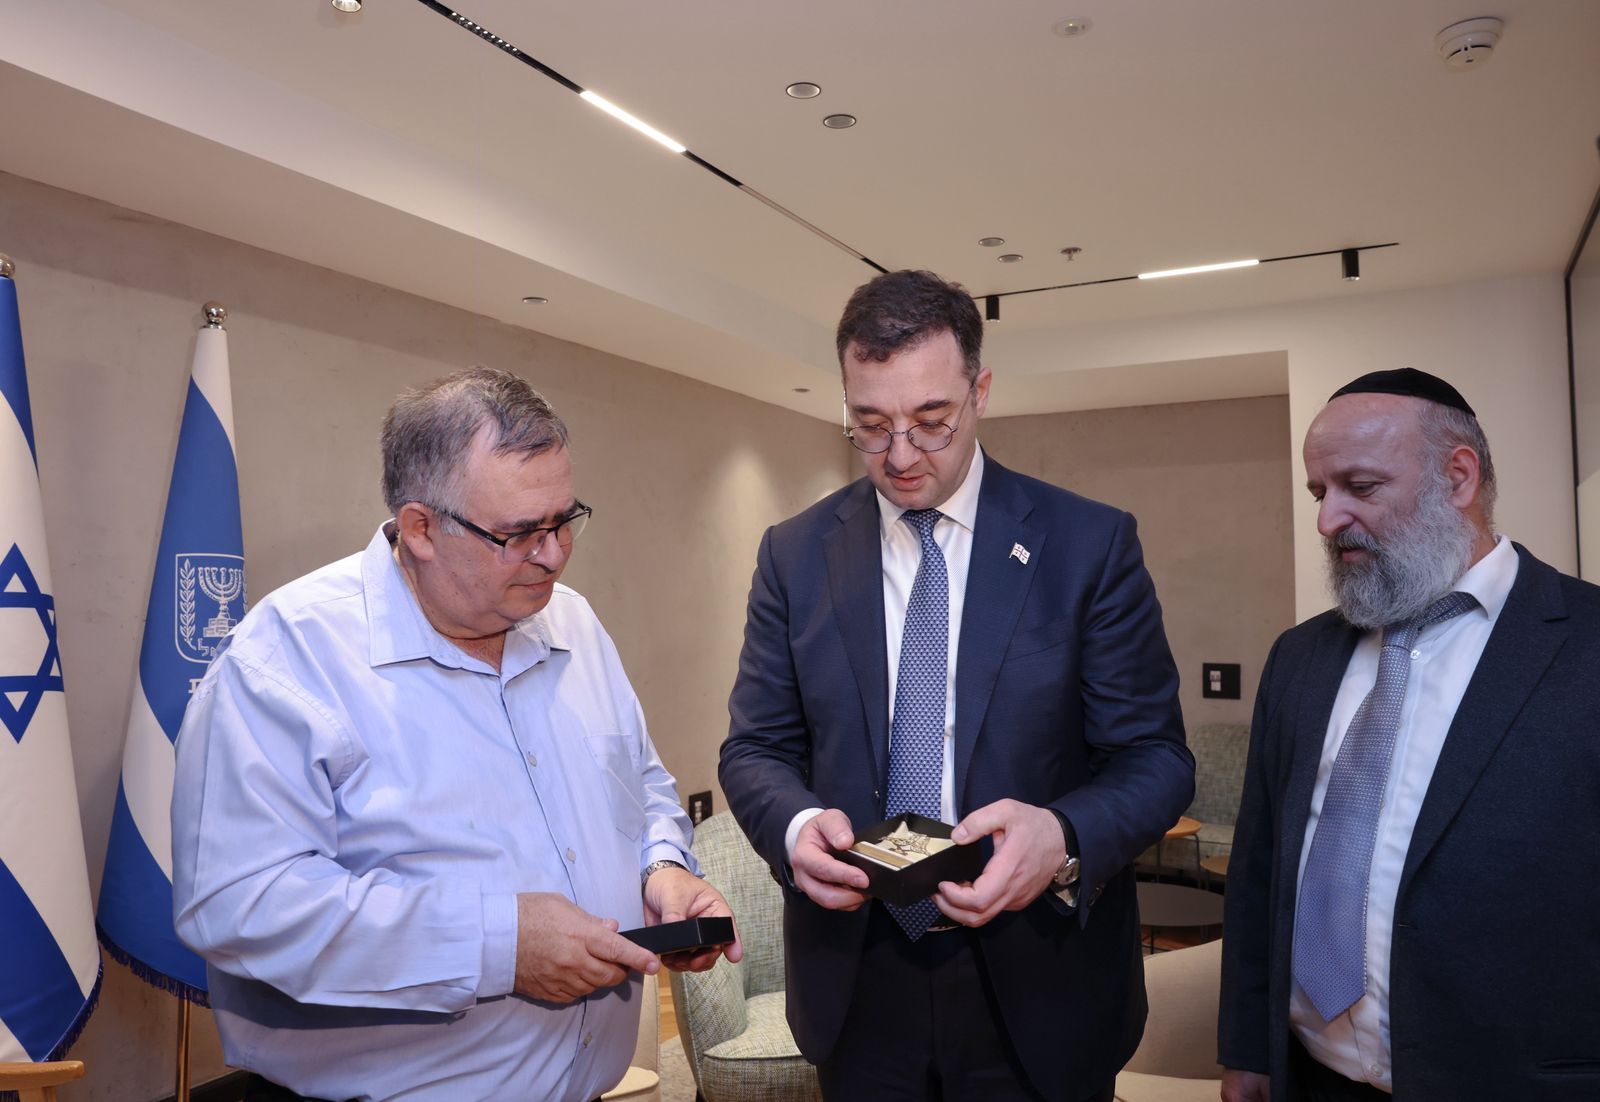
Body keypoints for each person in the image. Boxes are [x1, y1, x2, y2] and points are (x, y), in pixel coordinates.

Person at [171, 367, 740, 1102]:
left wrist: (661, 871)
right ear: (421, 529)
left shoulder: (574, 623)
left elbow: (643, 787)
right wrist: (500, 944)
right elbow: (241, 906)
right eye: (520, 533)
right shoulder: (287, 659)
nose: (554, 554)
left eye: (564, 519)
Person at [718, 269, 1194, 1101]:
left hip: (1042, 980)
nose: (900, 455)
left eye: (931, 421)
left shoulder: (1089, 545)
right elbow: (756, 747)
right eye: (870, 426)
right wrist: (793, 828)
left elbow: (1155, 759)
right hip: (856, 981)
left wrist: (1062, 836)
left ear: (980, 392)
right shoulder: (793, 555)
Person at [1219, 368, 1600, 1101]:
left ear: (1458, 478)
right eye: (1319, 493)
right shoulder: (1299, 658)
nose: (1329, 520)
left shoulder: (1585, 642)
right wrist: (1247, 1048)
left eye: (1360, 487)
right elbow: (1260, 869)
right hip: (1310, 1077)